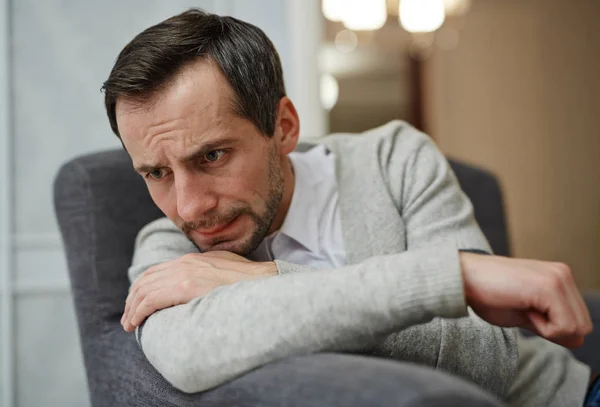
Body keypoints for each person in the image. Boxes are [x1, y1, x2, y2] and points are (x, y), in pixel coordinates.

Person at [102, 9, 597, 407]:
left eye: (212, 156)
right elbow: (188, 356)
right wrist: (451, 279)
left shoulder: (395, 159)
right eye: (156, 173)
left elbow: (486, 364)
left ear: (284, 127)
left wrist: (265, 278)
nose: (189, 207)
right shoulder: (169, 247)